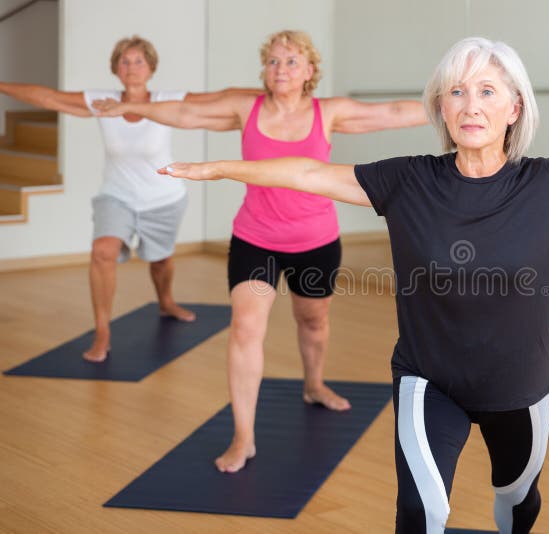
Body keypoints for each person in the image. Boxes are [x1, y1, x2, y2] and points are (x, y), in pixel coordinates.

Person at [159, 37, 549, 532]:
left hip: (520, 389)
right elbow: (305, 171)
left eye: (489, 91)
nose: (472, 105)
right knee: (422, 514)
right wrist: (219, 167)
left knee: (518, 504)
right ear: (442, 106)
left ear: (515, 107)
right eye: (459, 92)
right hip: (425, 381)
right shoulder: (405, 181)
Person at [92, 30, 428, 473]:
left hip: (315, 241)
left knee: (313, 320)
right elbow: (187, 111)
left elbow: (393, 111)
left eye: (291, 62)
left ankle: (313, 384)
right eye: (272, 61)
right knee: (245, 329)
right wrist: (132, 105)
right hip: (256, 238)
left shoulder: (328, 112)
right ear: (263, 70)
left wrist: (458, 104)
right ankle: (244, 436)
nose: (280, 69)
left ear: (310, 70)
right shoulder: (244, 107)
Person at [0, 35, 238, 362]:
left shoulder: (169, 99)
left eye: (139, 61)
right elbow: (49, 98)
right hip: (117, 197)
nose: (131, 67)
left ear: (151, 67)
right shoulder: (103, 102)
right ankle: (102, 333)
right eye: (124, 61)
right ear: (115, 69)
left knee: (161, 262)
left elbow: (222, 98)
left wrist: (273, 93)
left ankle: (166, 301)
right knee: (102, 252)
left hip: (164, 198)